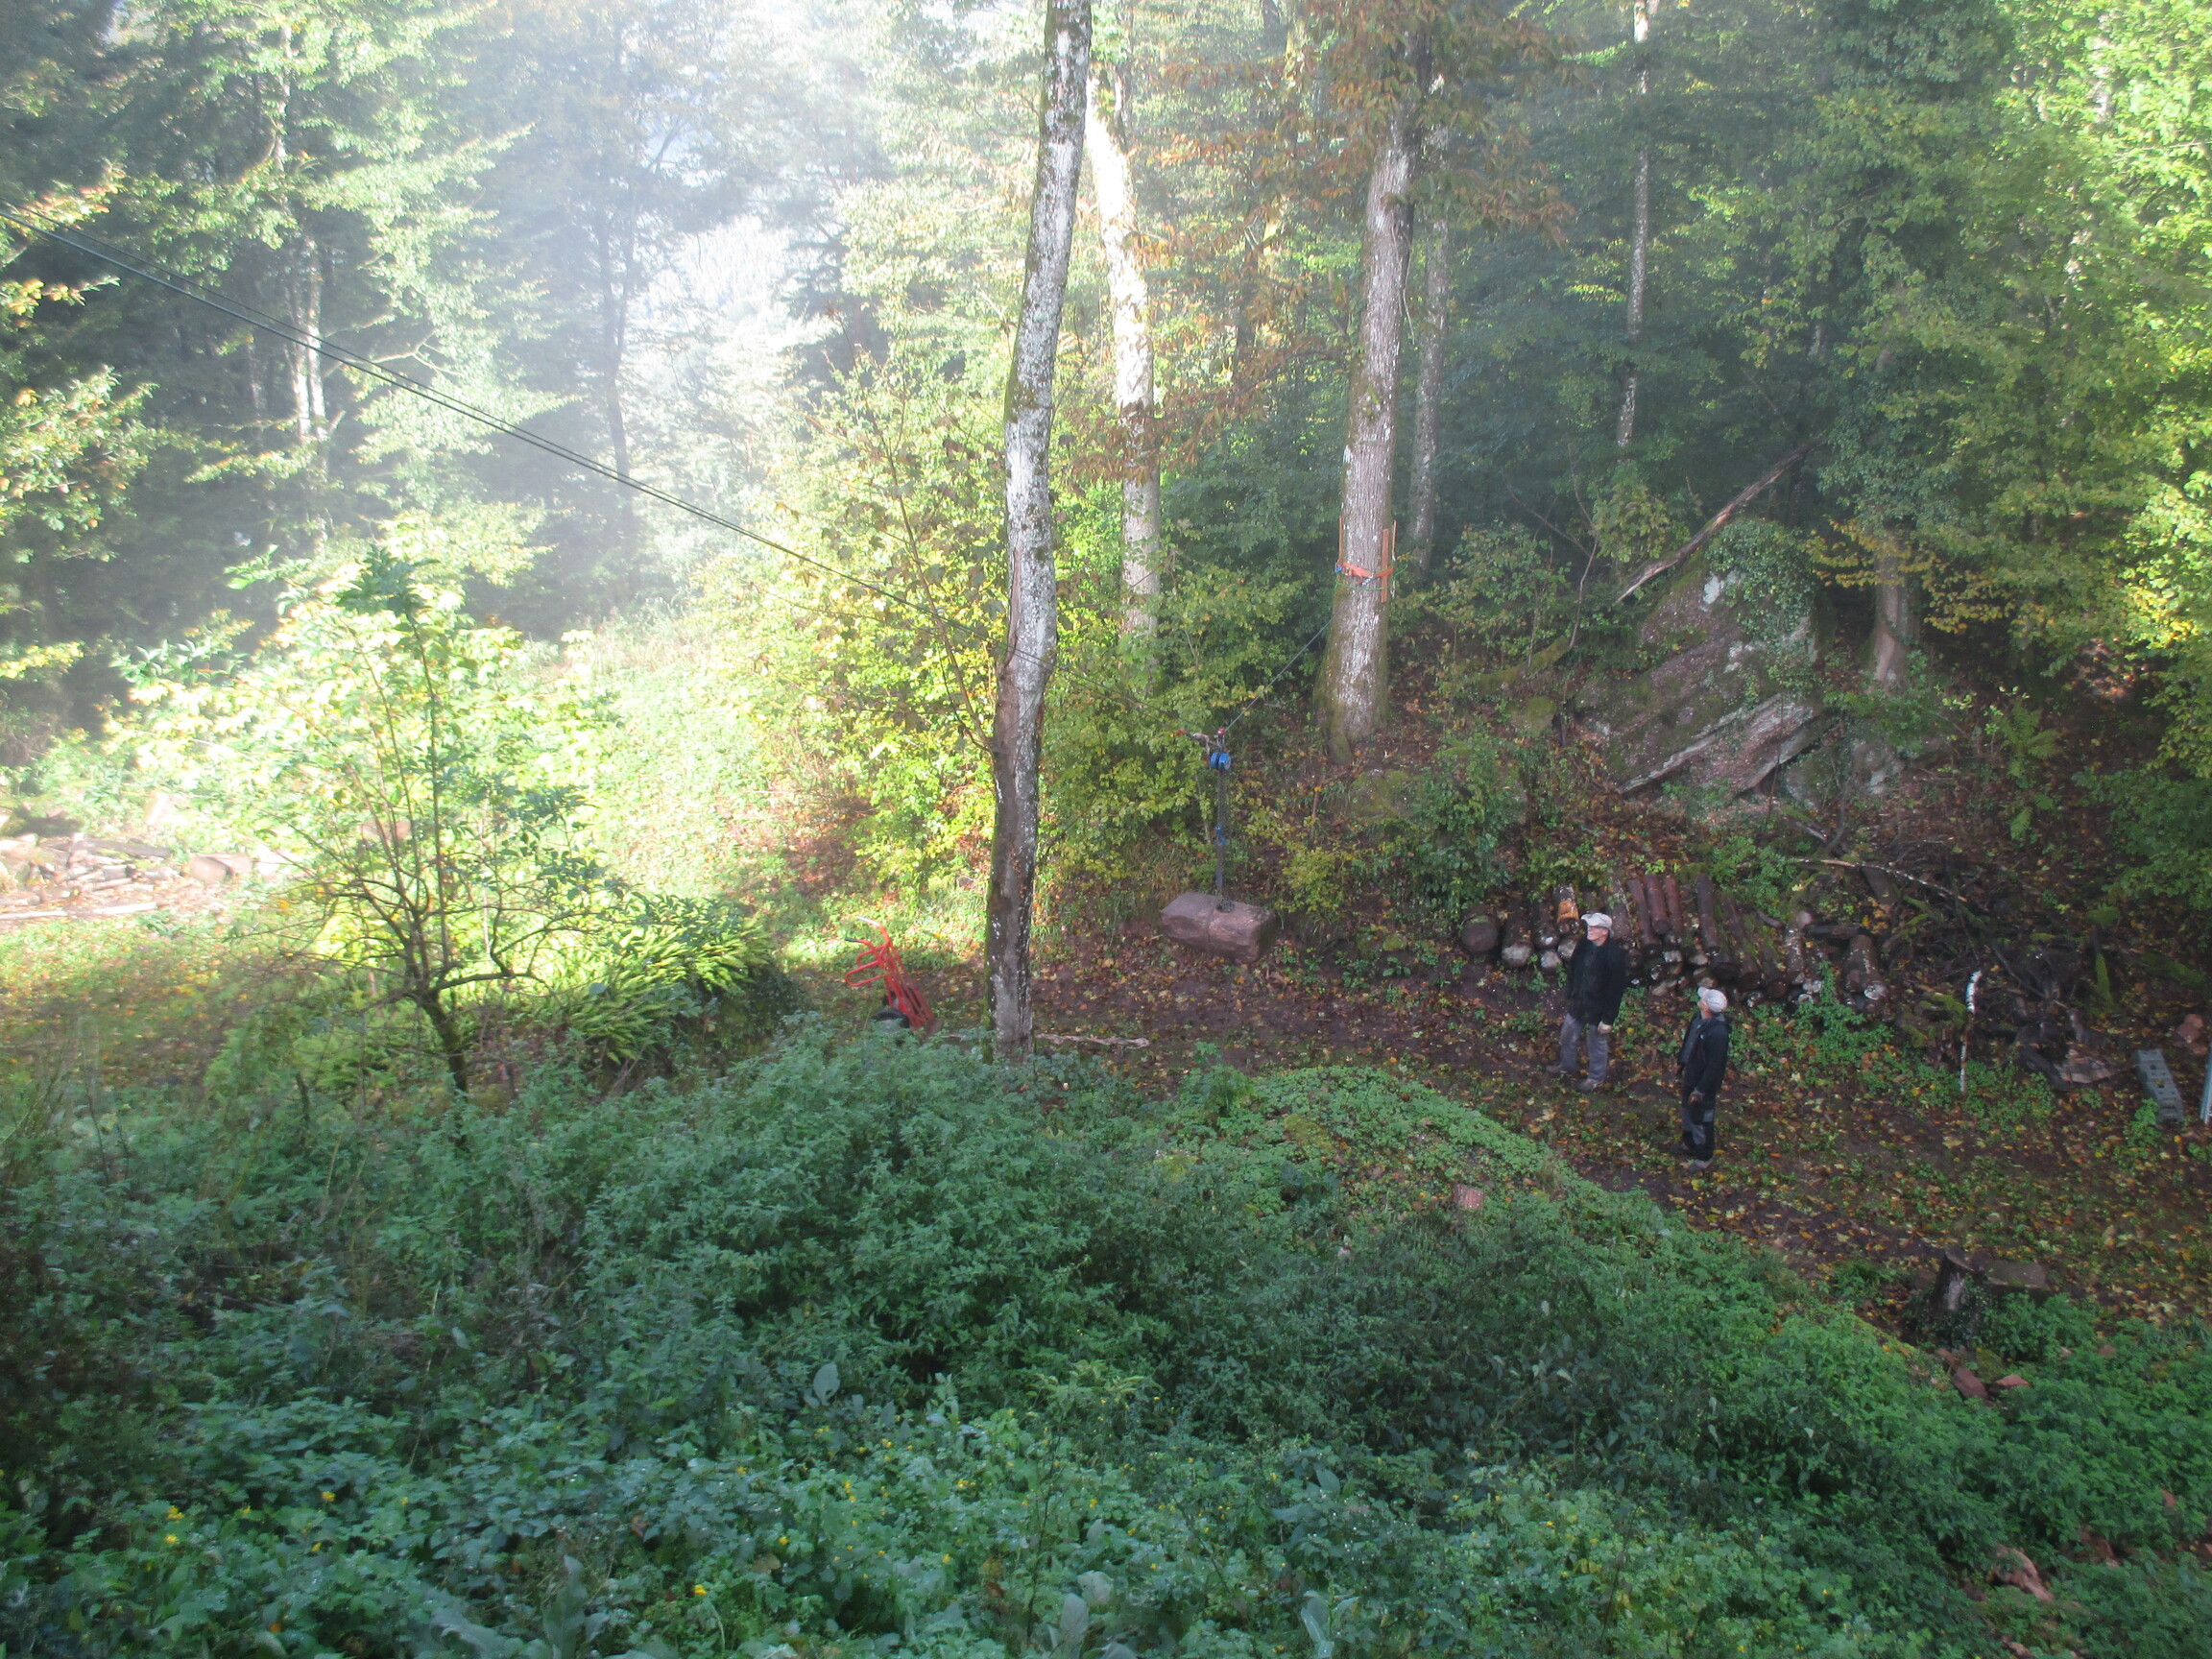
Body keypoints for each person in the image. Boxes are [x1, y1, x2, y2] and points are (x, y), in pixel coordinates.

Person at [1556, 912, 1628, 1092]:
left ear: (1605, 932)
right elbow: (1573, 967)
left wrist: (1608, 1019)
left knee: (1596, 1043)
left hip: (1599, 1008)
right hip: (1580, 1001)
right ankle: (1567, 1066)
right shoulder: (1584, 944)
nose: (1590, 930)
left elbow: (1615, 991)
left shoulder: (1614, 957)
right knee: (1567, 1034)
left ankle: (1595, 1078)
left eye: (1595, 927)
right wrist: (1571, 991)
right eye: (1589, 926)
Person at [1677, 986, 1732, 1171]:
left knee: (1702, 1118)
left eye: (1704, 999)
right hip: (1692, 1074)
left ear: (1707, 1007)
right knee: (1686, 1109)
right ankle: (1689, 1142)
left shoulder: (1718, 1034)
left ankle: (1704, 1155)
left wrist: (1700, 1090)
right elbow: (1689, 1042)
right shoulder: (1698, 1020)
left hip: (1704, 1082)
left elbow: (1714, 1066)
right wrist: (1681, 1062)